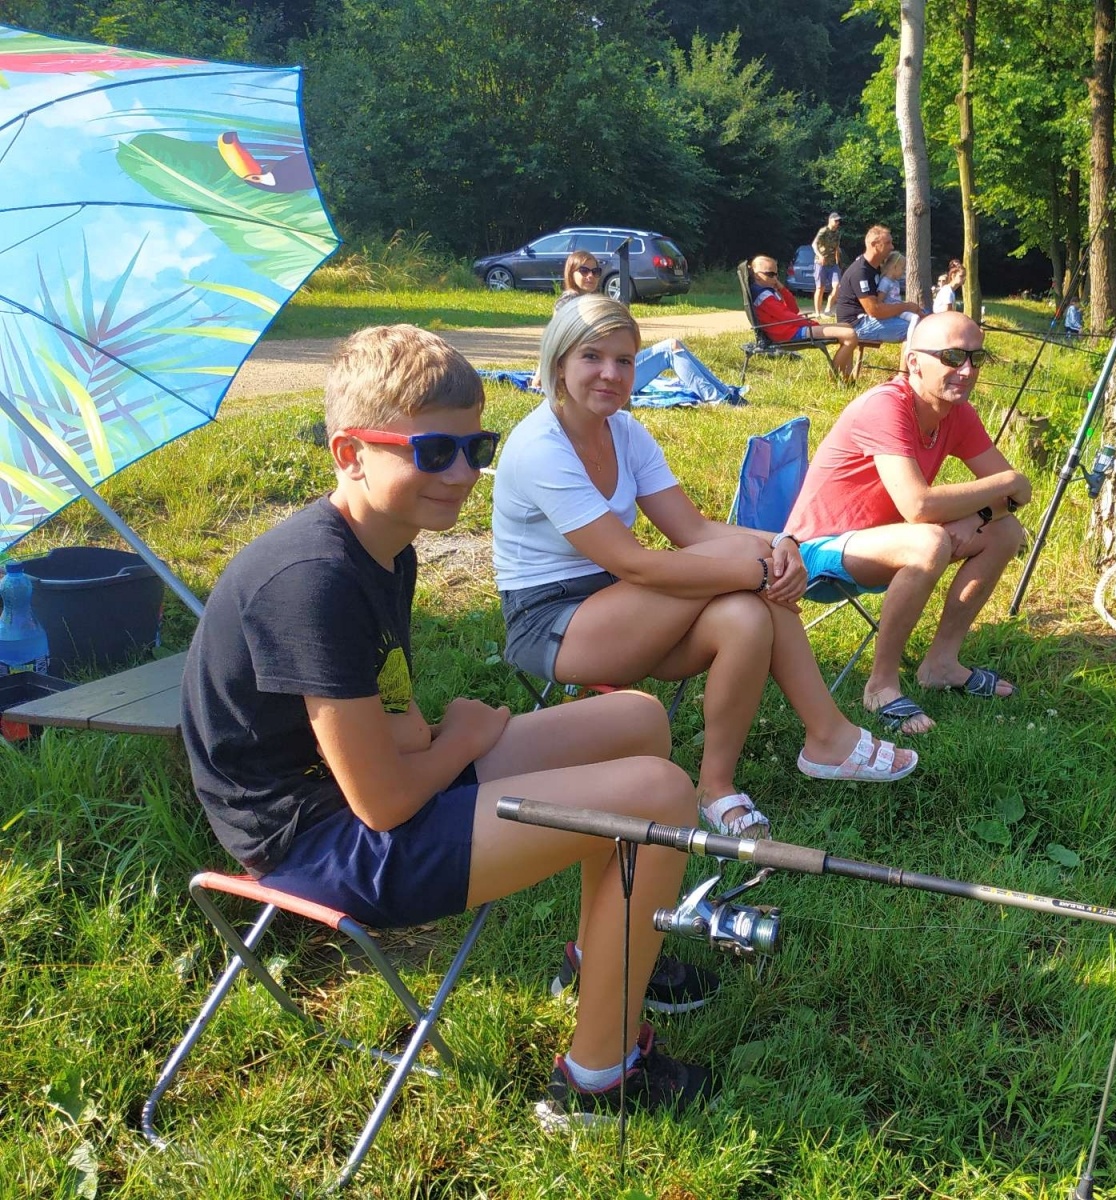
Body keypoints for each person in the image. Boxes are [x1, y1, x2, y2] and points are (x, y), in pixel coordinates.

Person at [178, 324, 715, 1128]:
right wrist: (461, 742)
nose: (465, 473)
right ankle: (600, 1080)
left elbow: (391, 718)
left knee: (635, 719)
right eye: (434, 452)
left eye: (477, 446)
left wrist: (440, 738)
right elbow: (387, 803)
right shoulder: (311, 581)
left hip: (357, 794)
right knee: (658, 795)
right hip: (318, 844)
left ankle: (603, 959)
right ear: (349, 453)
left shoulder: (386, 547)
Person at [494, 295, 918, 840]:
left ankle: (716, 786)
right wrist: (759, 568)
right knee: (750, 577)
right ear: (559, 363)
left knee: (745, 617)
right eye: (592, 357)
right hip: (551, 622)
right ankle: (829, 734)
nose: (610, 373)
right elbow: (636, 563)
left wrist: (782, 541)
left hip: (619, 603)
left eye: (624, 360)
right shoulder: (540, 446)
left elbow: (693, 531)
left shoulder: (625, 433)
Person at [786, 311, 1029, 736]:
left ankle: (941, 664)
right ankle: (880, 685)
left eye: (976, 357)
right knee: (929, 541)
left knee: (1006, 532)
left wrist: (985, 512)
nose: (967, 370)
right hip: (815, 553)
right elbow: (920, 505)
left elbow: (1016, 497)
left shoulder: (957, 412)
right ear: (914, 362)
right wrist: (1004, 485)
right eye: (952, 356)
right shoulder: (886, 405)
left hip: (887, 542)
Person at [558, 249, 740, 404]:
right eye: (584, 270)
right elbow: (558, 342)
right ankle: (715, 398)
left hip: (612, 365)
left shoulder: (592, 301)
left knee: (674, 345)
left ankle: (724, 393)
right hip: (603, 374)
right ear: (571, 272)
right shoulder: (569, 303)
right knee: (671, 348)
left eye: (596, 271)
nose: (591, 276)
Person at [750, 254, 860, 380]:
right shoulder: (763, 296)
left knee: (847, 326)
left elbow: (793, 309)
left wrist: (781, 288)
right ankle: (834, 378)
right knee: (849, 335)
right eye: (770, 274)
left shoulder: (769, 290)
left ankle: (847, 378)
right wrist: (811, 323)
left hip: (790, 329)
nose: (775, 278)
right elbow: (786, 316)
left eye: (776, 274)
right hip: (787, 333)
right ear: (756, 275)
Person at [836, 225, 925, 345]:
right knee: (920, 329)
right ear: (874, 245)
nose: (892, 247)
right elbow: (874, 310)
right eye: (888, 243)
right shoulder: (860, 272)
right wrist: (906, 306)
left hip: (869, 319)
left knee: (925, 317)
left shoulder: (875, 267)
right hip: (855, 325)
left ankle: (909, 363)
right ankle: (912, 363)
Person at [812, 211, 844, 317]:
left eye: (838, 221)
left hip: (832, 264)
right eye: (835, 221)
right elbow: (814, 245)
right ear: (830, 220)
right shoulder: (823, 231)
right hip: (820, 263)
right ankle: (817, 312)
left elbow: (836, 248)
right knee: (820, 288)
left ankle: (828, 308)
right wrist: (820, 256)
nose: (837, 223)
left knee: (837, 286)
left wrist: (838, 261)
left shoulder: (838, 234)